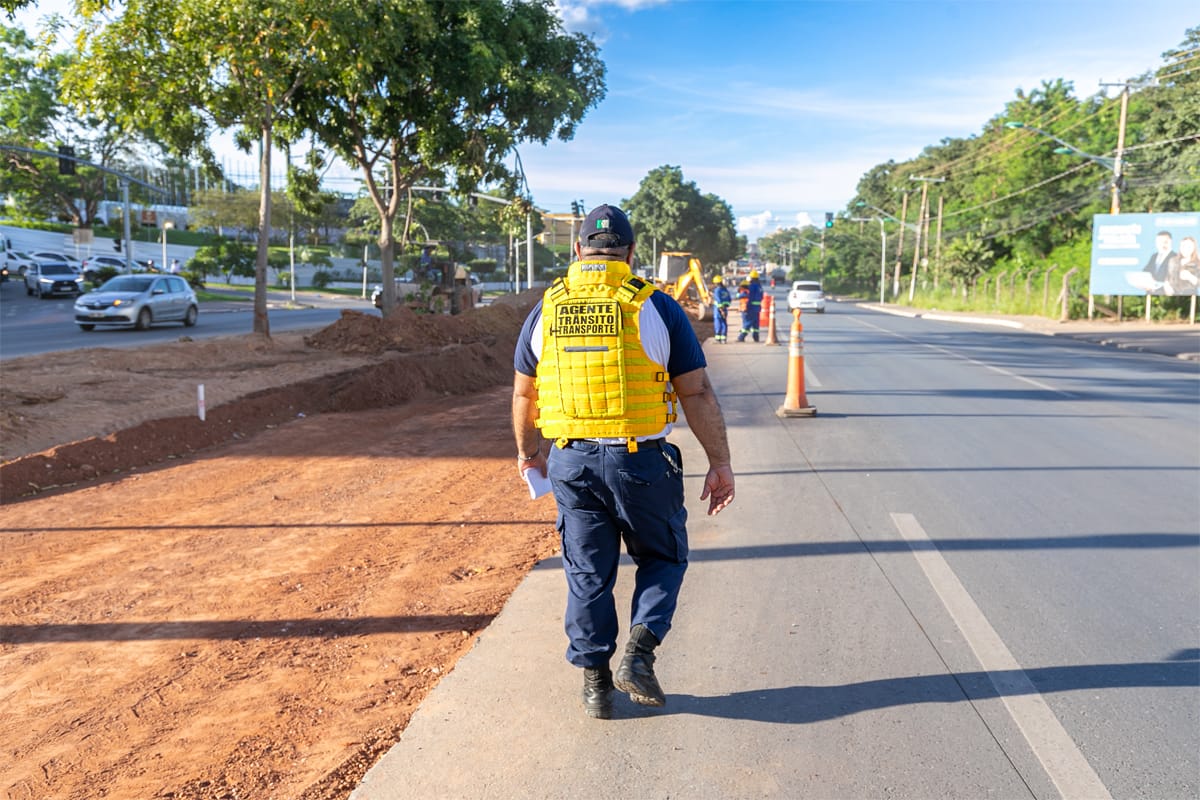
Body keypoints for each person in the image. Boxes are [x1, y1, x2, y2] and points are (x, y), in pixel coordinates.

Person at [512, 204, 735, 720]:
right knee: (663, 557)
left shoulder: (547, 309)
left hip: (572, 462)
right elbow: (696, 392)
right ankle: (639, 651)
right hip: (641, 462)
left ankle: (595, 686)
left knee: (588, 572)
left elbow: (525, 395)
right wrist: (719, 462)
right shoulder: (655, 306)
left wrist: (529, 454)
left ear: (578, 250)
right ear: (631, 254)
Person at [1141, 231, 1180, 295]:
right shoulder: (1154, 256)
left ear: (1170, 242)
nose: (1162, 244)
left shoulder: (1175, 257)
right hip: (1151, 293)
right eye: (1159, 242)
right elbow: (1146, 271)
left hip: (1167, 294)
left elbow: (1174, 277)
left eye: (1165, 242)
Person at [737, 269, 763, 342]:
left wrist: (739, 295)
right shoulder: (759, 286)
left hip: (750, 307)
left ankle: (741, 337)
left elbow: (747, 295)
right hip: (757, 308)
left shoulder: (751, 286)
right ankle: (756, 337)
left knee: (748, 323)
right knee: (755, 324)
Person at [711, 274, 732, 343]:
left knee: (718, 324)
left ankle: (718, 339)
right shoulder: (725, 290)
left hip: (718, 310)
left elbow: (718, 300)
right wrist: (725, 307)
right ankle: (724, 338)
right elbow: (729, 299)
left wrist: (721, 308)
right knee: (724, 323)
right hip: (725, 309)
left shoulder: (717, 290)